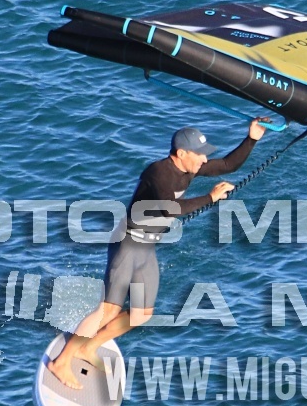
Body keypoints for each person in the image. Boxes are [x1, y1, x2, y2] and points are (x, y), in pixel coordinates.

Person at [48, 119, 267, 389]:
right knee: (108, 310)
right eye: (199, 154)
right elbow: (169, 209)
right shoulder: (158, 172)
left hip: (147, 247)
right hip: (128, 242)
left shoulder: (190, 167)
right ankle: (62, 362)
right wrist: (210, 198)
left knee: (141, 314)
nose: (204, 159)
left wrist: (252, 138)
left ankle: (88, 348)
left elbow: (227, 165)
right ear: (181, 153)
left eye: (205, 155)